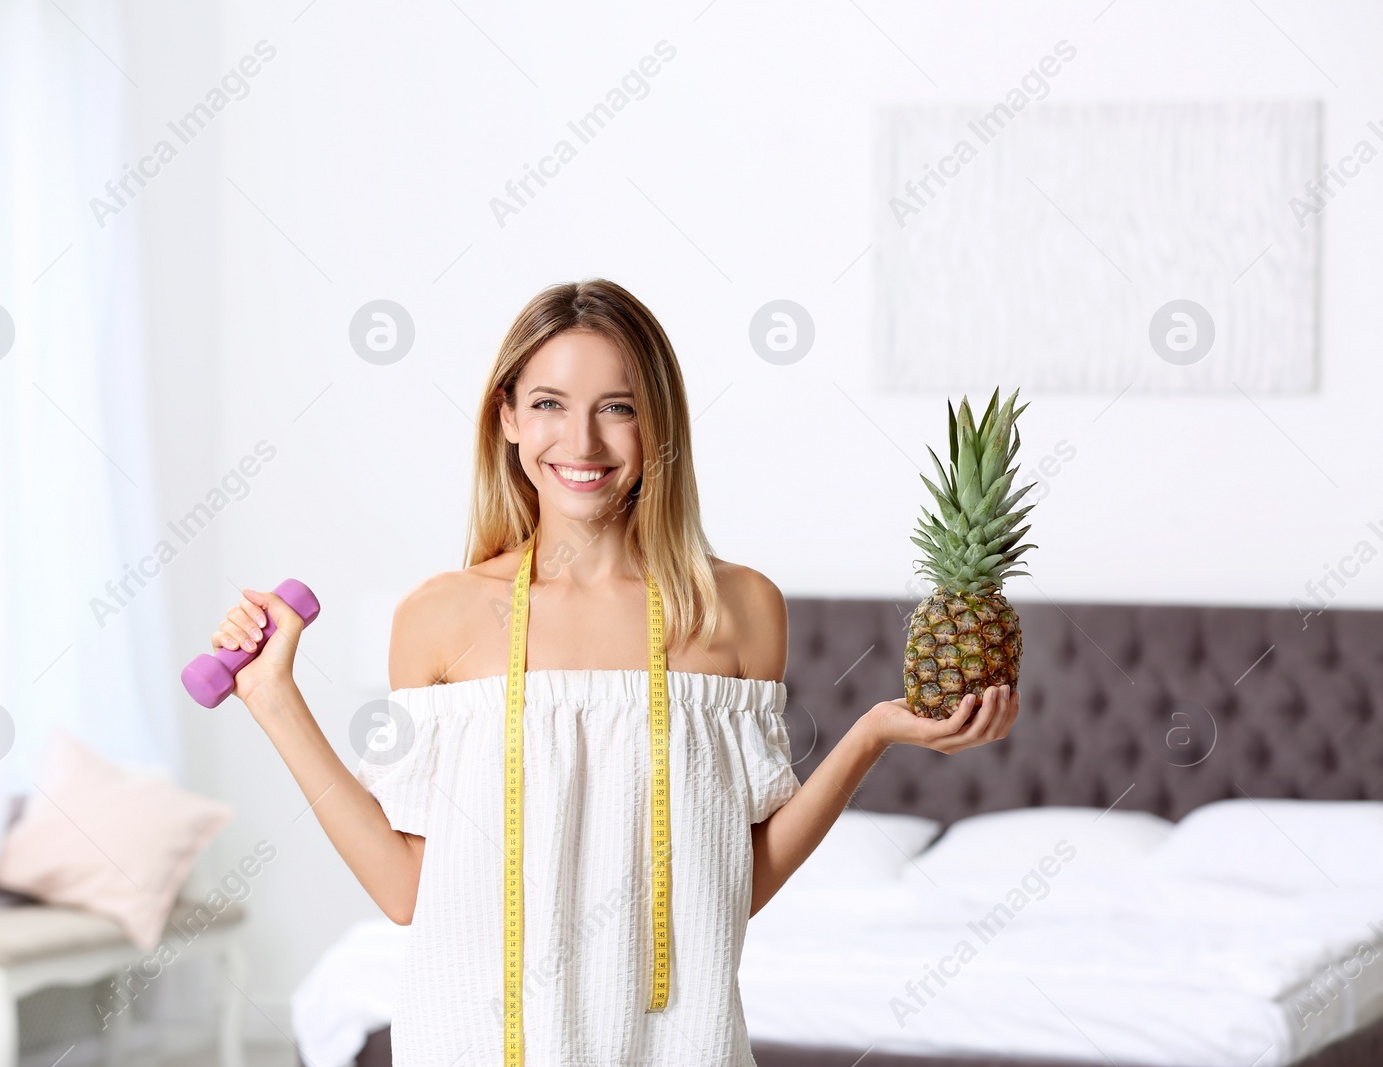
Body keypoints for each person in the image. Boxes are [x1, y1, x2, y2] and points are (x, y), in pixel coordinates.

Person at [204, 278, 1019, 1066]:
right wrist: (273, 696)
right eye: (550, 404)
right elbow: (407, 891)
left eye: (618, 407)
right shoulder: (440, 614)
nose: (583, 443)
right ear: (510, 420)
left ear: (658, 424)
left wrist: (871, 733)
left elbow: (732, 885)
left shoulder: (738, 609)